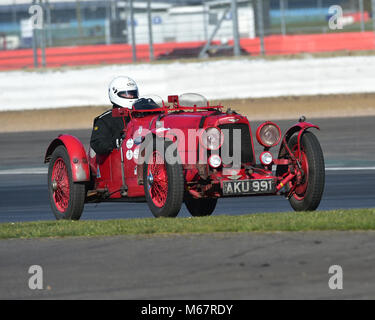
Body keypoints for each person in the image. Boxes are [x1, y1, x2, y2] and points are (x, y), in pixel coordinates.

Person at [90, 76, 139, 155]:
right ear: (115, 93)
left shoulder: (139, 114)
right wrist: (116, 142)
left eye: (133, 94)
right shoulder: (104, 120)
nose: (131, 97)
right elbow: (97, 143)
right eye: (127, 94)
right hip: (114, 162)